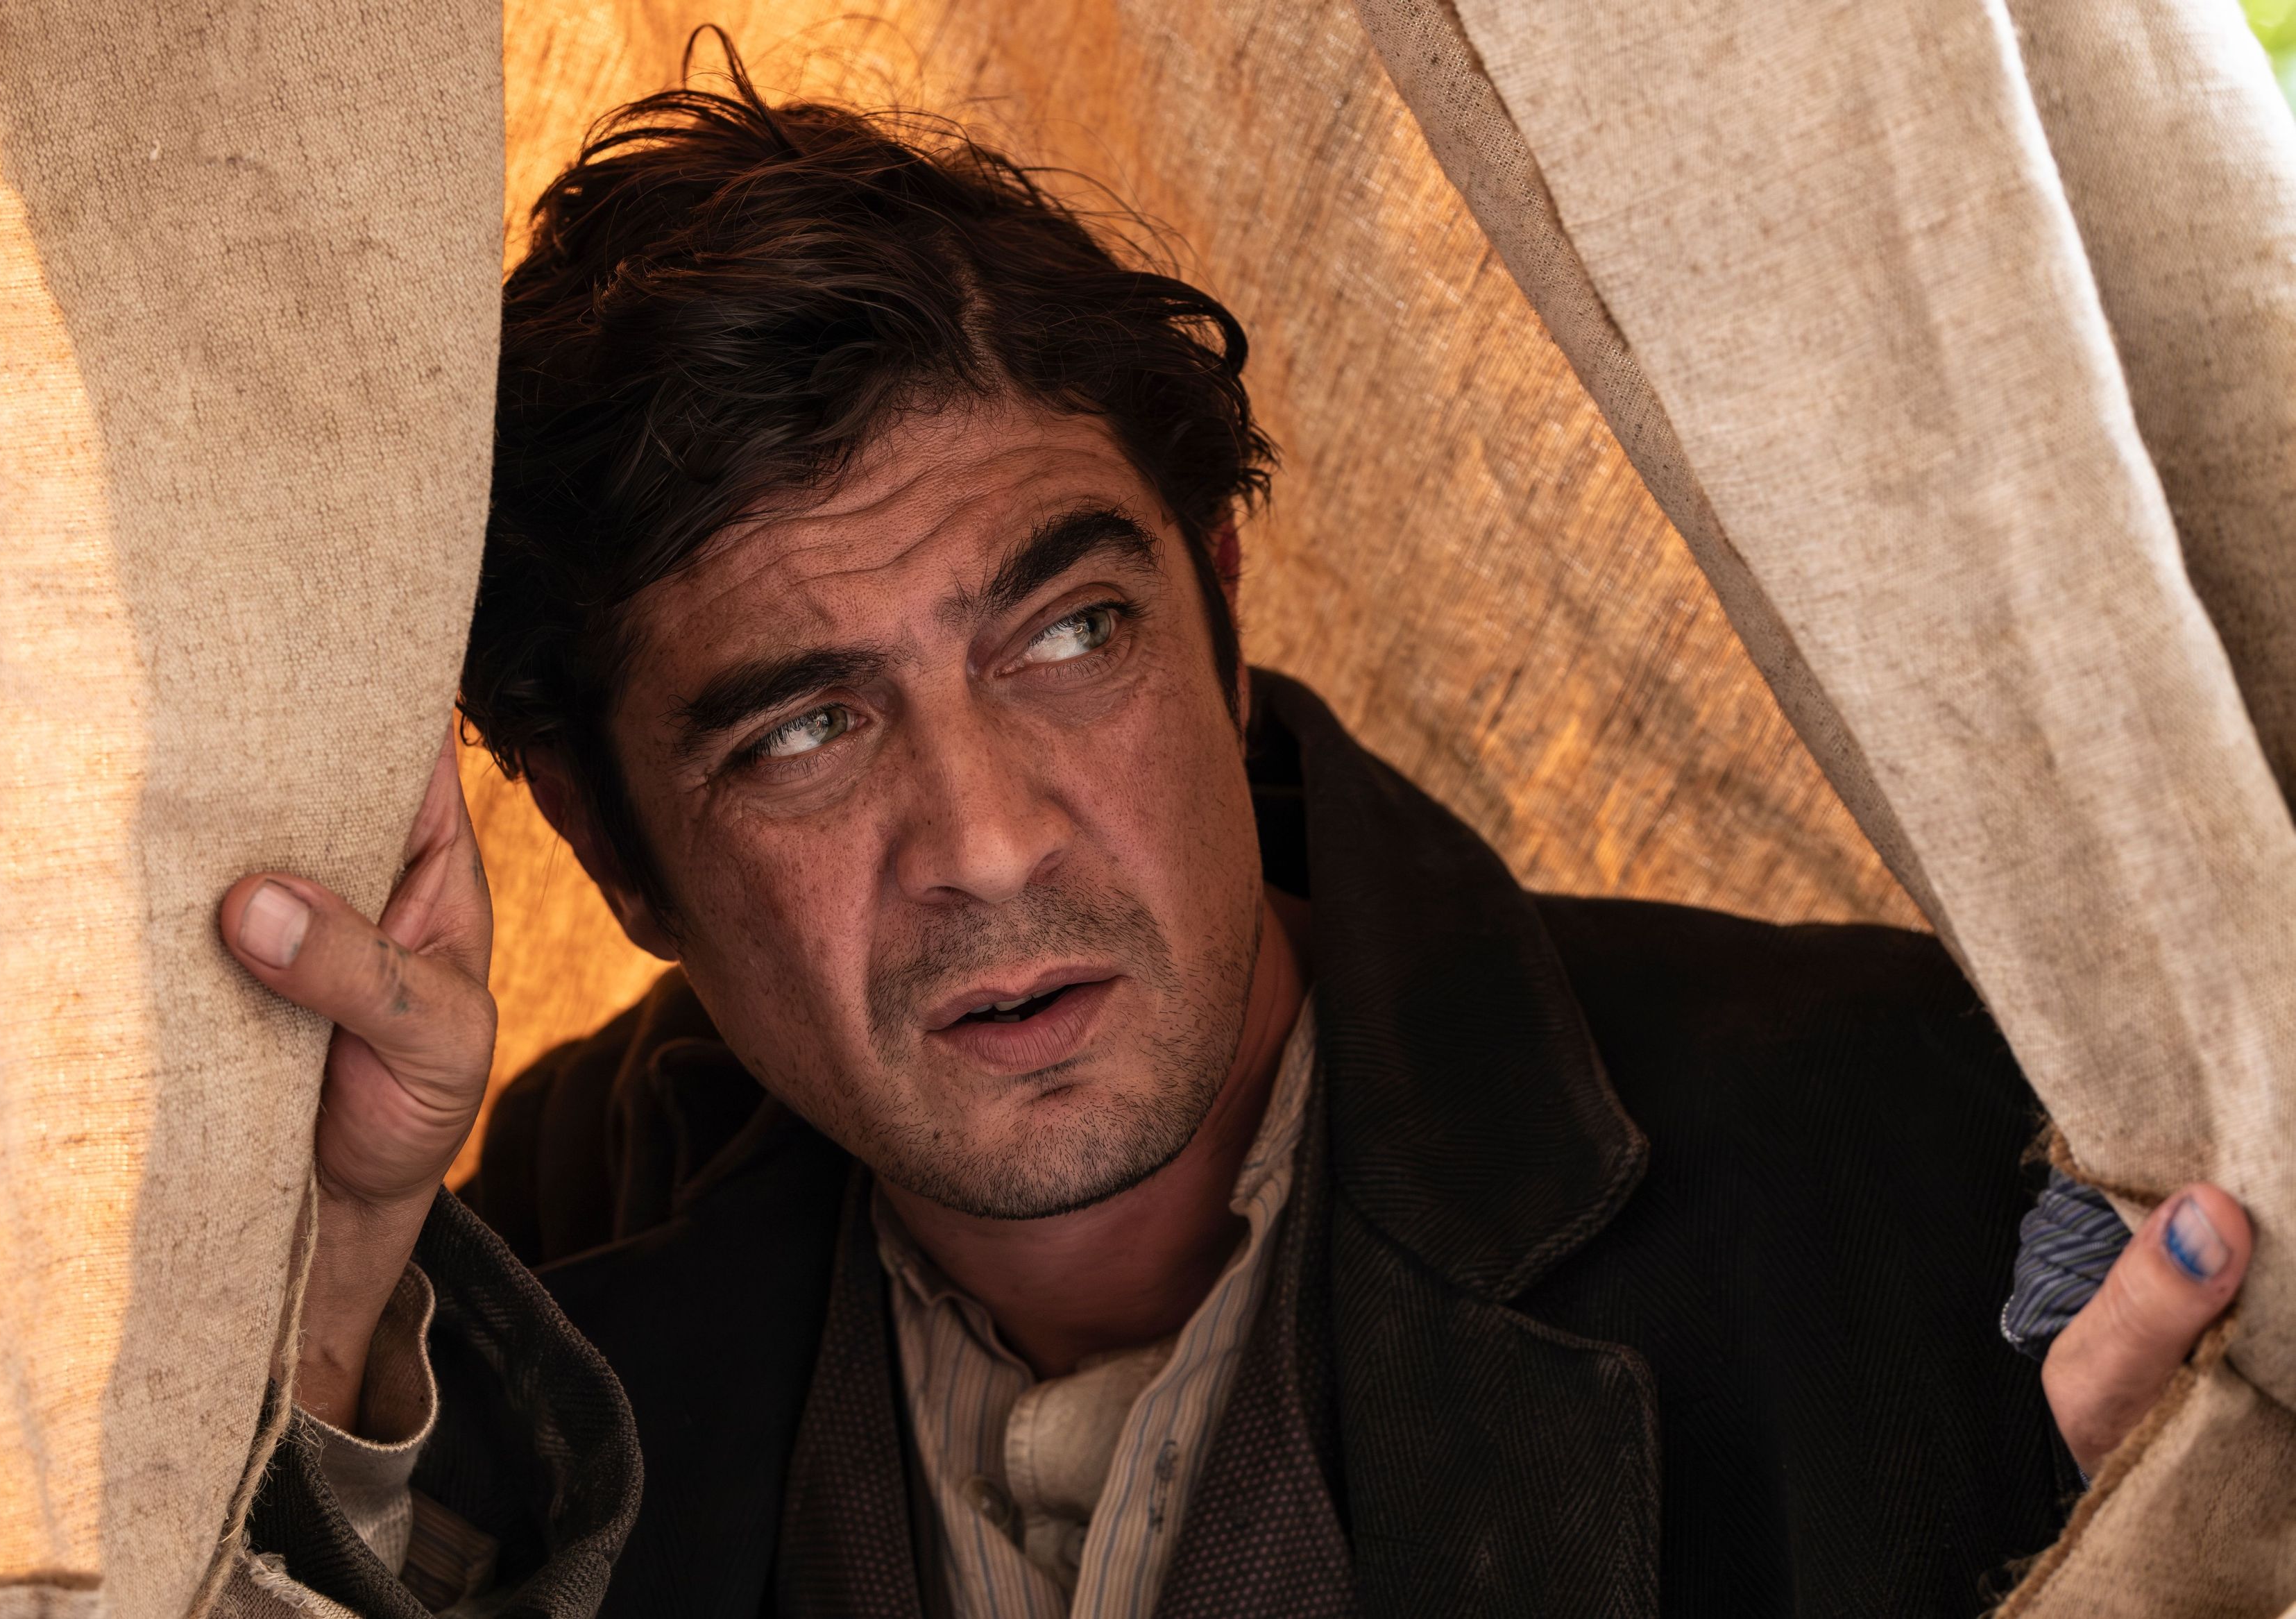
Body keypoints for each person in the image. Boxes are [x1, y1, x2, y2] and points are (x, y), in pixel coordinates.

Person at [214, 57, 2252, 1619]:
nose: (988, 841)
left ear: (1219, 611)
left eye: (1068, 635)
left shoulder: (1909, 1146)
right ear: (609, 847)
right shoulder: (535, 1263)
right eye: (806, 732)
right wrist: (310, 1311)